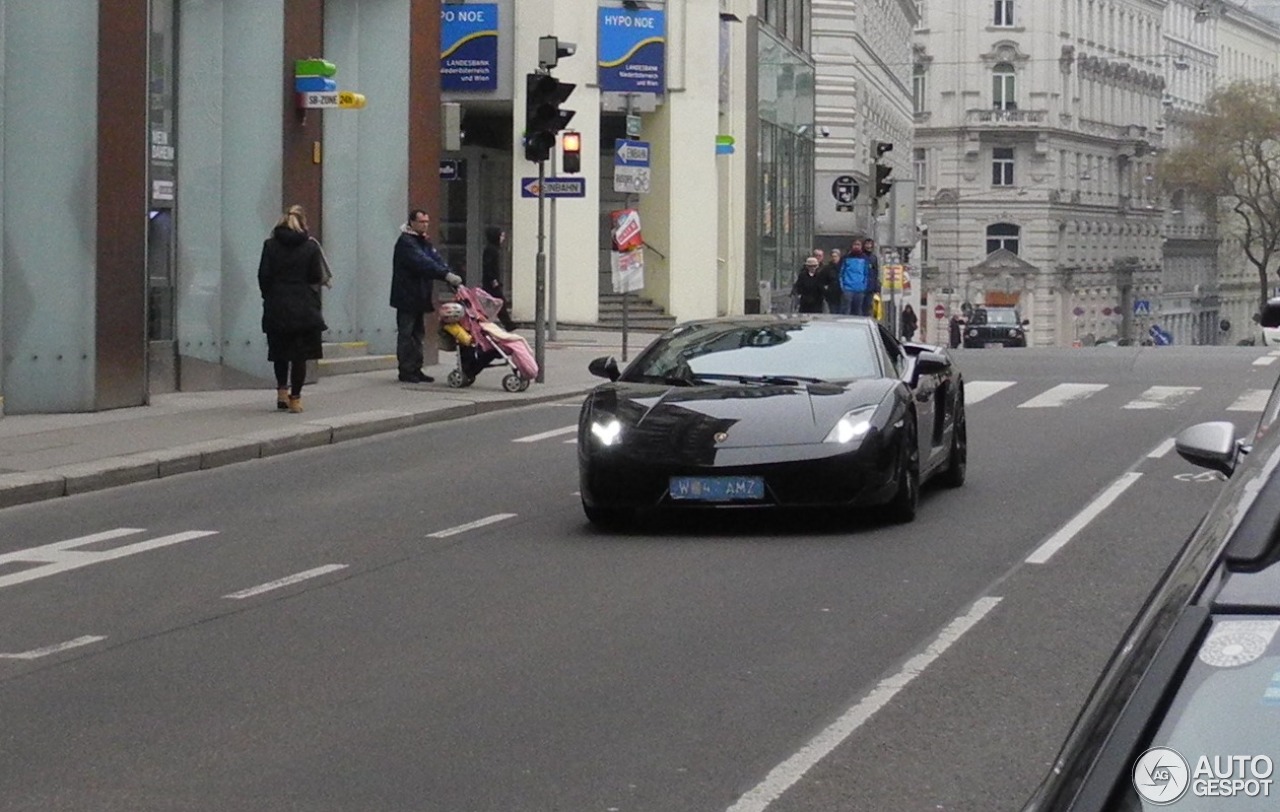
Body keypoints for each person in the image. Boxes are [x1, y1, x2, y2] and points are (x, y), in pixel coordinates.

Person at [258, 204, 327, 413]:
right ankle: (295, 399)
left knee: (279, 352)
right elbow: (316, 276)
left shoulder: (270, 245)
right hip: (303, 306)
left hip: (277, 304)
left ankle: (281, 392)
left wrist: (269, 295)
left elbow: (263, 275)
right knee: (300, 355)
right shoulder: (311, 246)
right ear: (303, 223)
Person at [391, 208, 461, 383]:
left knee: (418, 334)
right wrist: (445, 275)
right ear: (412, 223)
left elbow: (435, 260)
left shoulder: (422, 241)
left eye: (427, 222)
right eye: (422, 222)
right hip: (407, 296)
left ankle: (416, 368)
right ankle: (406, 370)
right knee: (407, 334)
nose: (426, 225)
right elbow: (422, 262)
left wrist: (448, 272)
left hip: (419, 295)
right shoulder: (406, 243)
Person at [482, 226, 517, 331]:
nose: (503, 238)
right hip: (491, 282)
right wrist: (494, 280)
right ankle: (508, 324)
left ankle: (506, 324)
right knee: (499, 301)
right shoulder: (491, 250)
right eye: (501, 236)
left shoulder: (493, 249)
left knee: (495, 302)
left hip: (492, 281)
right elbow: (488, 266)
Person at [838, 241, 878, 316]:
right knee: (846, 311)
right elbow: (841, 273)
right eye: (855, 244)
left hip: (860, 289)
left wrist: (864, 286)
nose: (856, 246)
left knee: (858, 311)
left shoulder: (865, 259)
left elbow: (867, 273)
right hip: (847, 289)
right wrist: (843, 287)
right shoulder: (845, 258)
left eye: (858, 245)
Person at [821, 248, 843, 313]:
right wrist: (826, 290)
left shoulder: (843, 267)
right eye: (832, 256)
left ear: (839, 257)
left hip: (842, 294)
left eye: (835, 256)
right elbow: (822, 281)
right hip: (831, 295)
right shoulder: (827, 269)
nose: (834, 258)